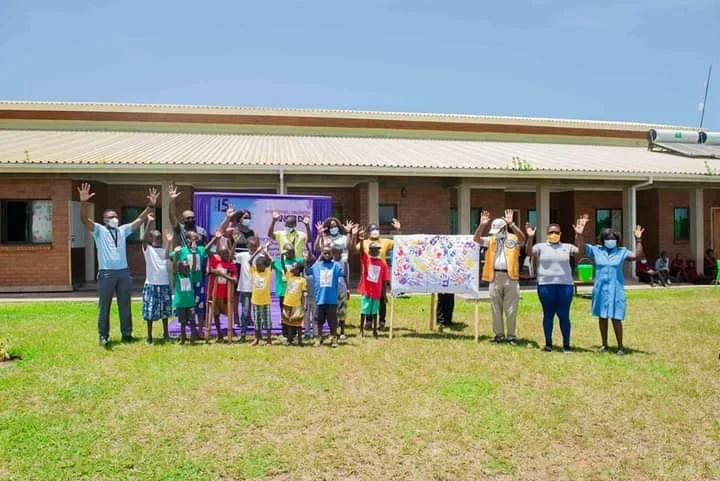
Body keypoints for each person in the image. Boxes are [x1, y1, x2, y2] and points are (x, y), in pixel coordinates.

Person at [77, 183, 159, 347]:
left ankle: (127, 333)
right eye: (111, 217)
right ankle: (103, 335)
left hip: (123, 274)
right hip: (106, 273)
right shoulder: (99, 230)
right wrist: (83, 203)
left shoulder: (122, 230)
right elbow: (84, 220)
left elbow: (139, 220)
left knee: (125, 304)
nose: (115, 219)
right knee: (104, 306)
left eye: (115, 216)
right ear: (105, 220)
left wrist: (150, 205)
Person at [575, 222, 645, 356]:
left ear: (617, 240)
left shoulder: (621, 251)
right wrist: (580, 235)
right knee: (602, 317)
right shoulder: (596, 250)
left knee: (616, 317)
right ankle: (604, 344)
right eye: (607, 238)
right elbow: (582, 249)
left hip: (616, 289)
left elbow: (637, 256)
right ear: (603, 240)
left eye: (613, 238)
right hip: (600, 289)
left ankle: (620, 346)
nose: (610, 241)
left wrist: (638, 239)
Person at [525, 217, 587, 352]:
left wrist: (580, 235)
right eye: (551, 232)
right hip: (546, 285)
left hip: (565, 286)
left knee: (564, 315)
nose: (554, 234)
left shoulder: (567, 247)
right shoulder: (540, 247)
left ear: (560, 234)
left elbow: (580, 252)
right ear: (547, 234)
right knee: (548, 315)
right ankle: (548, 344)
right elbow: (529, 252)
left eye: (557, 232)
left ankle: (566, 345)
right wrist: (530, 238)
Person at [474, 209, 526, 345]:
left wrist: (512, 224)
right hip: (495, 276)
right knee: (495, 308)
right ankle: (498, 335)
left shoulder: (513, 239)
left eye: (498, 231)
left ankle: (511, 336)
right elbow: (476, 239)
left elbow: (522, 239)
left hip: (511, 277)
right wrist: (482, 225)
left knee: (511, 309)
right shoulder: (491, 240)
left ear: (504, 229)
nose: (496, 234)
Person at [356, 218, 401, 329]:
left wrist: (397, 231)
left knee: (381, 298)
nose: (375, 231)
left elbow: (398, 243)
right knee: (368, 298)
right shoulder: (365, 242)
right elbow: (358, 250)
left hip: (381, 276)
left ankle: (381, 321)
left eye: (377, 229)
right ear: (368, 232)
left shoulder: (385, 241)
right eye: (372, 229)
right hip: (368, 276)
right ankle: (369, 321)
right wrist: (360, 239)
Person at [171, 230, 212, 339]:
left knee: (199, 306)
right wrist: (175, 251)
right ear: (187, 240)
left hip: (197, 282)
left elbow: (207, 250)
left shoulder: (200, 250)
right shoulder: (182, 251)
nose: (194, 241)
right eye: (192, 239)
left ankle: (200, 330)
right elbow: (171, 257)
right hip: (186, 284)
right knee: (186, 307)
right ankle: (185, 331)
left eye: (196, 239)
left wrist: (215, 238)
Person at [141, 215, 173, 344]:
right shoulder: (148, 250)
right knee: (150, 311)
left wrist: (169, 242)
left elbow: (167, 256)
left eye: (160, 238)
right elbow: (143, 239)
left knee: (165, 311)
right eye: (156, 238)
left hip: (164, 284)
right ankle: (149, 336)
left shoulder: (164, 250)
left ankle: (166, 334)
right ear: (150, 239)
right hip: (151, 285)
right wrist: (149, 222)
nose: (158, 240)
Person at [310, 245, 344, 348]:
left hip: (331, 299)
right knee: (318, 320)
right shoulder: (316, 266)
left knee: (332, 321)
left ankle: (334, 338)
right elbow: (308, 271)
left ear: (332, 254)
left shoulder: (336, 266)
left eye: (329, 253)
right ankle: (318, 338)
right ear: (321, 254)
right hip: (320, 298)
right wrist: (317, 259)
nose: (327, 255)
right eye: (325, 253)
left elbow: (342, 273)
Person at [356, 240, 390, 338]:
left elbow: (384, 280)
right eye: (373, 250)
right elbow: (361, 251)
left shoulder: (382, 263)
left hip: (377, 292)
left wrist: (384, 294)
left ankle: (375, 330)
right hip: (366, 291)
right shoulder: (366, 259)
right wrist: (361, 241)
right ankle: (361, 330)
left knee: (374, 312)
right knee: (364, 310)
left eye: (377, 250)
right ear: (370, 251)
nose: (376, 251)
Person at [272, 243, 305, 341]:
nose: (291, 254)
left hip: (295, 295)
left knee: (295, 314)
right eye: (289, 252)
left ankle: (294, 334)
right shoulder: (278, 262)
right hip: (283, 292)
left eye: (292, 252)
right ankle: (285, 333)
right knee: (285, 314)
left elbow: (305, 263)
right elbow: (270, 263)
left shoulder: (298, 260)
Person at [170, 243, 201, 344]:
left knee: (192, 321)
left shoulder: (190, 275)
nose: (187, 269)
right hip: (181, 304)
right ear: (179, 269)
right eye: (185, 268)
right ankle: (183, 338)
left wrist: (194, 253)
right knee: (182, 322)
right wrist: (176, 254)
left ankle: (193, 337)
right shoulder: (177, 276)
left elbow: (194, 266)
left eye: (188, 268)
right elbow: (174, 266)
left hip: (190, 303)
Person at [207, 243, 238, 343]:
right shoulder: (216, 261)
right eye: (223, 253)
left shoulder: (232, 265)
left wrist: (224, 276)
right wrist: (216, 272)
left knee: (228, 313)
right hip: (215, 293)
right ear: (219, 255)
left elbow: (234, 279)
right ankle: (219, 334)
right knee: (215, 314)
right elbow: (210, 270)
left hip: (226, 295)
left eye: (227, 253)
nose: (226, 255)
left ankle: (229, 333)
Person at [234, 236, 259, 342]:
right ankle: (243, 335)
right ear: (247, 246)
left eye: (255, 246)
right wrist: (234, 243)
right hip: (245, 288)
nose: (253, 248)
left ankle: (258, 335)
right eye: (251, 246)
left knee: (257, 313)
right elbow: (231, 256)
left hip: (257, 289)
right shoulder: (243, 255)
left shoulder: (260, 255)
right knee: (244, 312)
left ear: (258, 246)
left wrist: (265, 250)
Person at [249, 243, 273, 346]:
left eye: (260, 266)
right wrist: (257, 252)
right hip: (256, 301)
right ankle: (256, 339)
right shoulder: (254, 271)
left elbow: (272, 261)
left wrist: (266, 252)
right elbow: (250, 261)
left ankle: (269, 340)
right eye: (257, 266)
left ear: (264, 266)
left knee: (267, 321)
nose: (258, 268)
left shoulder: (267, 272)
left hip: (266, 302)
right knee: (257, 322)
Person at [281, 258, 307, 346]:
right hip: (287, 303)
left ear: (298, 270)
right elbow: (283, 267)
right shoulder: (289, 276)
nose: (292, 268)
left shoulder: (302, 280)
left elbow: (304, 293)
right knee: (288, 323)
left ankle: (299, 340)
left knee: (298, 323)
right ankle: (289, 339)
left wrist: (305, 304)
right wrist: (282, 256)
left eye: (294, 267)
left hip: (297, 305)